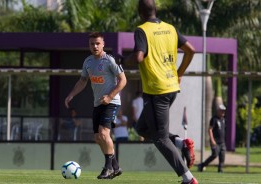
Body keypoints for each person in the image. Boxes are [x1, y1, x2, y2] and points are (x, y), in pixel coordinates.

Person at [121, 1, 197, 183]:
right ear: (156, 10)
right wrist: (179, 73)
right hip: (170, 87)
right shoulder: (170, 28)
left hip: (157, 91)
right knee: (142, 128)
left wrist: (122, 60)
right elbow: (190, 50)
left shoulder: (142, 30)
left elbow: (138, 57)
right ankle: (182, 143)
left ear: (140, 12)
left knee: (160, 139)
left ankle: (188, 179)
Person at [64, 32, 127, 179]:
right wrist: (71, 94)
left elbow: (123, 81)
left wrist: (110, 96)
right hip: (98, 103)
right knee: (98, 137)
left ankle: (108, 168)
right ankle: (115, 167)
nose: (95, 46)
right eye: (92, 44)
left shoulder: (110, 60)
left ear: (103, 44)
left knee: (104, 133)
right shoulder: (88, 62)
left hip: (112, 102)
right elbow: (82, 81)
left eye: (98, 43)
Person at [198, 104, 227, 173]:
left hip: (222, 142)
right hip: (215, 141)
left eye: (224, 111)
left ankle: (220, 170)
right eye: (222, 111)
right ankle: (202, 165)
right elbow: (210, 129)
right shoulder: (214, 119)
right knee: (214, 155)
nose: (223, 112)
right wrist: (212, 140)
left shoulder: (223, 119)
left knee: (222, 156)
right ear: (218, 111)